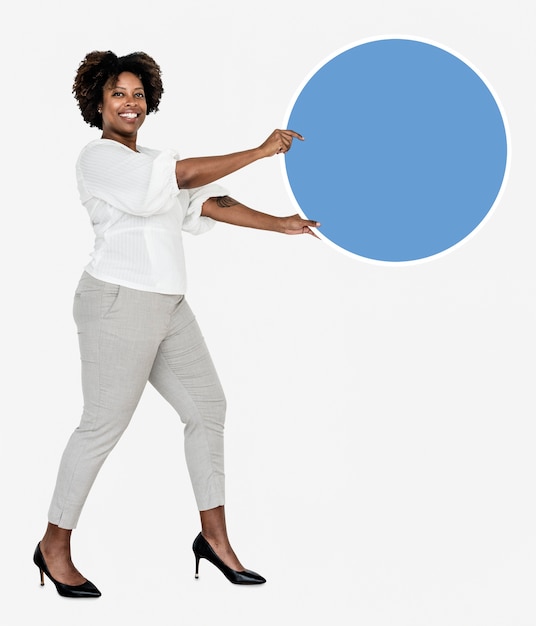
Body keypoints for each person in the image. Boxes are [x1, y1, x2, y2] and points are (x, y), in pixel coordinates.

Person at [33, 50, 319, 598]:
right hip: (118, 302)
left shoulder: (153, 164)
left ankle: (214, 540)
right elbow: (182, 176)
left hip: (168, 306)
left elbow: (208, 202)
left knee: (207, 409)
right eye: (118, 93)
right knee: (102, 427)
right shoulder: (99, 159)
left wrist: (279, 225)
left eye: (138, 93)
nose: (131, 102)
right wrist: (260, 151)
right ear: (98, 102)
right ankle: (53, 544)